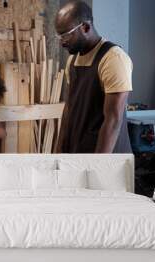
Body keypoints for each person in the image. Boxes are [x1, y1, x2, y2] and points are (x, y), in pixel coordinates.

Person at [55, 0, 133, 153]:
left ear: (85, 27)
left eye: (66, 35)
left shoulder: (113, 59)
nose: (62, 43)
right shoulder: (73, 60)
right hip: (79, 153)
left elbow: (113, 121)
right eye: (59, 36)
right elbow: (69, 109)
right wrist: (60, 151)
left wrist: (98, 166)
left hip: (106, 158)